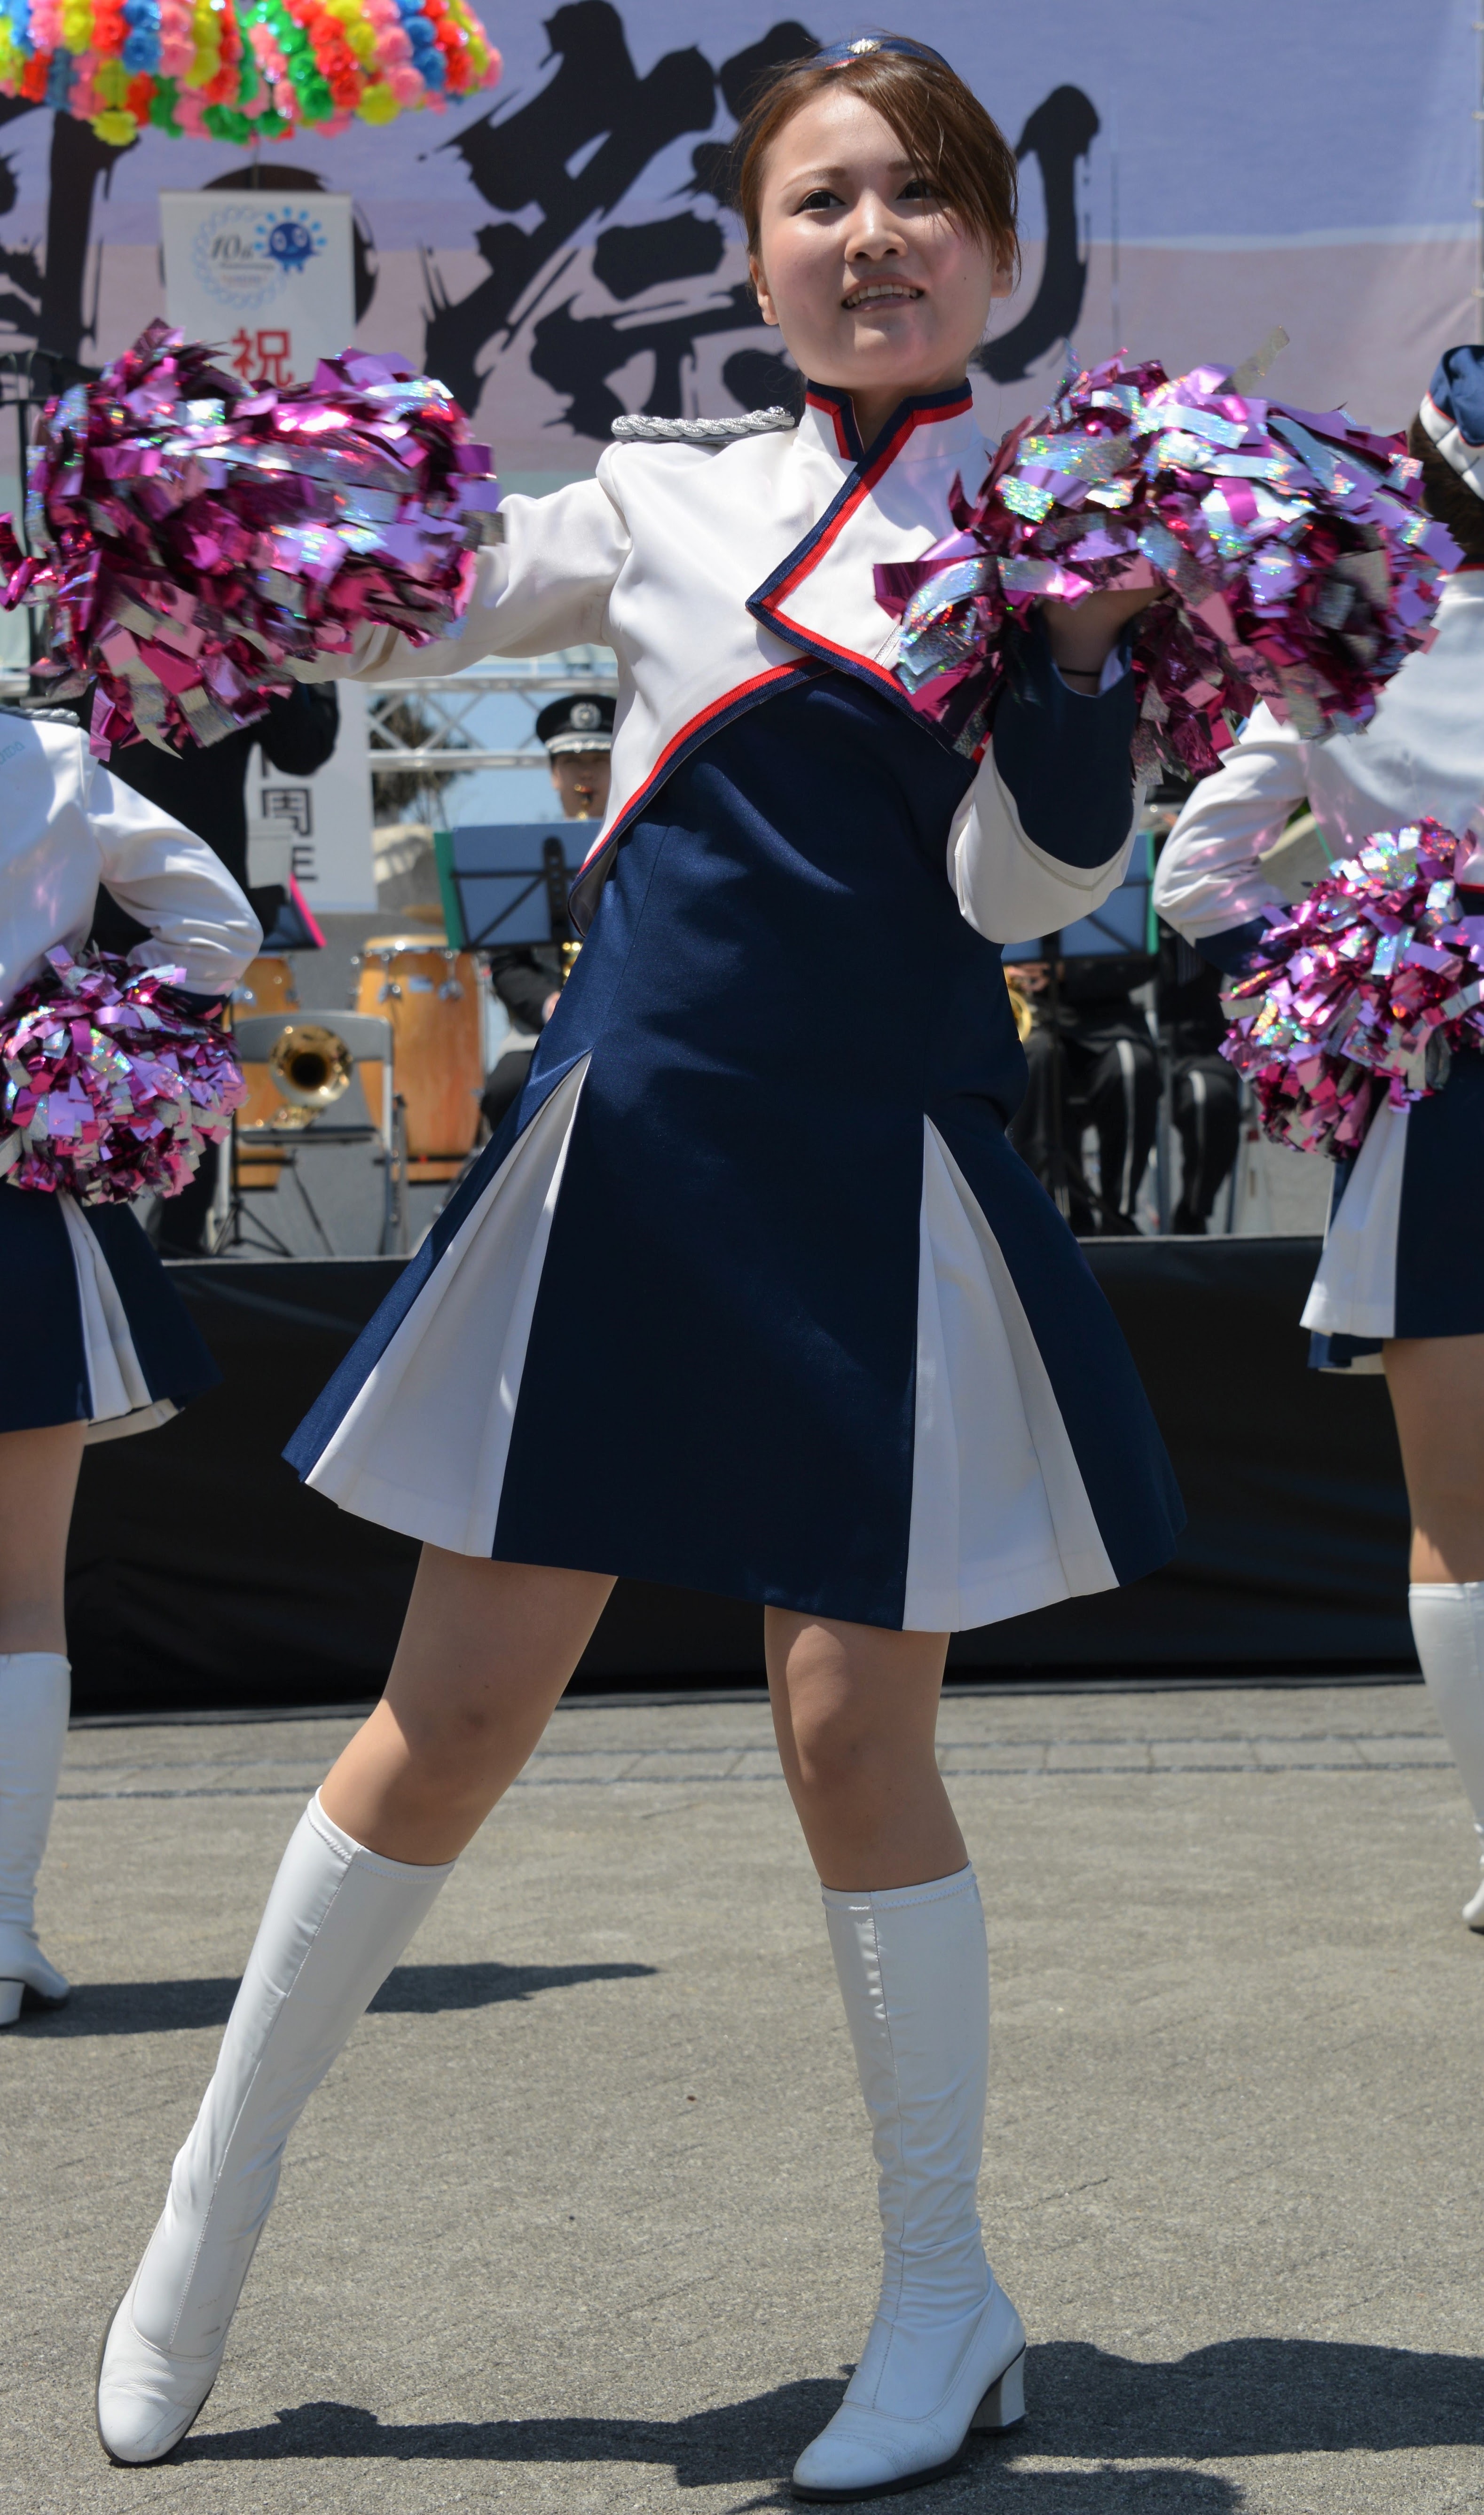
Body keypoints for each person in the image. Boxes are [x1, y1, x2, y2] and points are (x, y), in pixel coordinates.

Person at [96, 37, 1184, 2495]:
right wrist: (218, 491)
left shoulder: (1054, 538)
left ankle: (942, 2296)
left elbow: (1020, 891)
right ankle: (205, 2206)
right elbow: (413, 607)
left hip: (876, 1179)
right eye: (824, 198)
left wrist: (1075, 668)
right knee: (455, 1711)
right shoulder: (661, 494)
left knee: (849, 1732)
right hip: (632, 1164)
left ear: (997, 249)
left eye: (922, 193)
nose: (874, 235)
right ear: (754, 252)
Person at [1154, 340, 1484, 1923]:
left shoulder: (1337, 659)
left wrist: (1331, 990)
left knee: (1458, 1521)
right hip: (1432, 1109)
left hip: (1432, 1101)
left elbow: (1192, 880)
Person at [0, 706, 258, 2031]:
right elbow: (217, 929)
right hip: (10, 1195)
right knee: (18, 1599)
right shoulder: (45, 759)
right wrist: (76, 1042)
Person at [86, 685, 340, 1255]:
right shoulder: (92, 628)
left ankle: (178, 1249)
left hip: (200, 900)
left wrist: (273, 656)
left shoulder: (260, 640)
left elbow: (303, 749)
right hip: (99, 888)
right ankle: (91, 1243)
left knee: (198, 1079)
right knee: (85, 1072)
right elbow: (62, 723)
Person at [480, 691, 613, 1133]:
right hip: (540, 1029)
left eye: (599, 760)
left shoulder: (647, 845)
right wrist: (547, 1003)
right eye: (573, 762)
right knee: (505, 1089)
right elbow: (507, 966)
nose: (586, 773)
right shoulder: (524, 858)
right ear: (554, 774)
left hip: (625, 1020)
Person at [1005, 947, 1159, 1233]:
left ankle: (1119, 1214)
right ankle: (1048, 1216)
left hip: (1109, 1019)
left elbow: (1146, 963)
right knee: (1032, 1061)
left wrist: (1066, 971)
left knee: (1131, 1065)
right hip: (1037, 1019)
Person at [1157, 929, 1241, 1234]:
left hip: (1199, 1039)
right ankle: (1100, 1217)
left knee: (1211, 1099)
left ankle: (1192, 1213)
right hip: (1124, 1026)